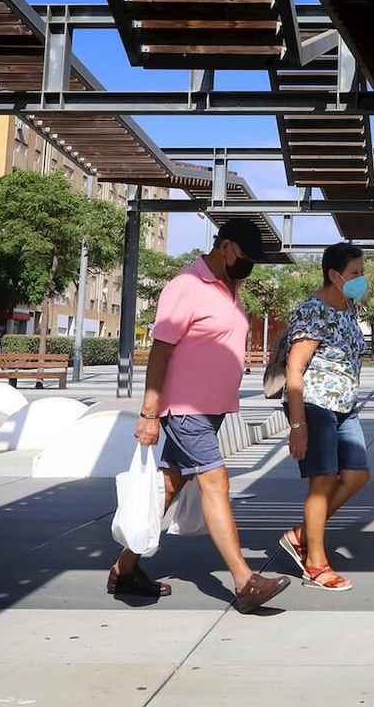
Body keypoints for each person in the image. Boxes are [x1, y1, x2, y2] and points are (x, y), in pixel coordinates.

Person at [108, 217, 290, 613]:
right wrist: (149, 413)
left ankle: (125, 568)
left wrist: (234, 285)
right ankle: (245, 581)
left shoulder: (229, 287)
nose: (249, 265)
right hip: (185, 407)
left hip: (212, 409)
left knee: (171, 485)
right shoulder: (185, 286)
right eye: (245, 255)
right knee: (215, 480)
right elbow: (161, 352)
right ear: (225, 246)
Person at [279, 242, 371, 592]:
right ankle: (315, 564)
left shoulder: (348, 308)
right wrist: (298, 425)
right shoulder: (313, 310)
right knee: (322, 482)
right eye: (354, 274)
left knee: (357, 474)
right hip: (315, 405)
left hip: (344, 407)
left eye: (362, 272)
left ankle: (302, 534)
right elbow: (294, 368)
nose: (361, 279)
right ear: (334, 275)